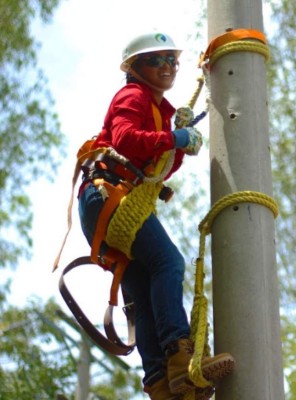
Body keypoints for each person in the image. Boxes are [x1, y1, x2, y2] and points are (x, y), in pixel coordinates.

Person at [77, 32, 233, 400]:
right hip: (109, 197)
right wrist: (173, 139)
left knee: (146, 293)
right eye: (156, 60)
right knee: (168, 262)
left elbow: (158, 169)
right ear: (134, 68)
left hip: (109, 201)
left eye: (171, 60)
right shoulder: (132, 96)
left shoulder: (159, 110)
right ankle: (181, 356)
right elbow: (128, 139)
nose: (167, 66)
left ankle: (163, 383)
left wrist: (175, 138)